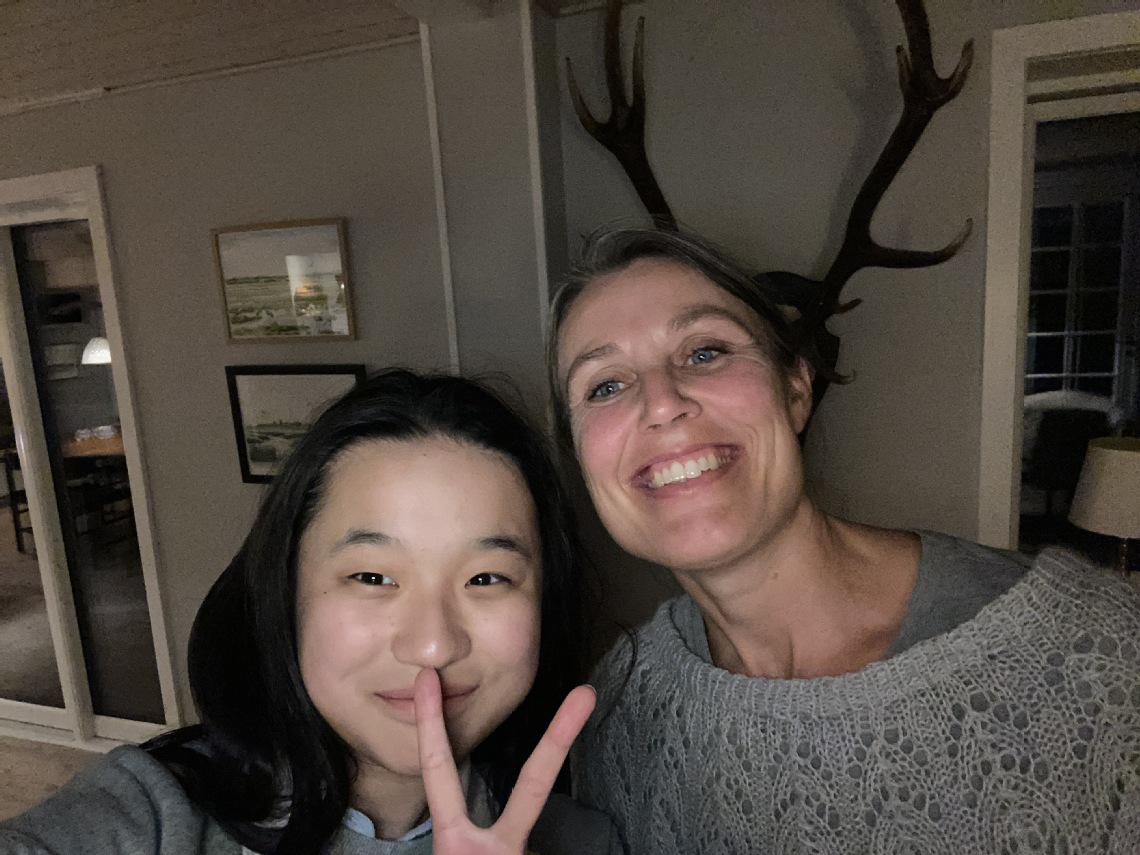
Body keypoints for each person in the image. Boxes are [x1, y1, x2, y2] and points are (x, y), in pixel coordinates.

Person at [548, 227, 1140, 854]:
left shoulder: (1097, 656)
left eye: (705, 352)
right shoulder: (612, 715)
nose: (662, 404)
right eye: (605, 386)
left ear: (796, 390)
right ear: (582, 461)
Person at [1, 369, 622, 855]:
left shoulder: (584, 840)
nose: (433, 646)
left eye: (486, 578)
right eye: (372, 577)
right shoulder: (155, 817)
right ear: (287, 594)